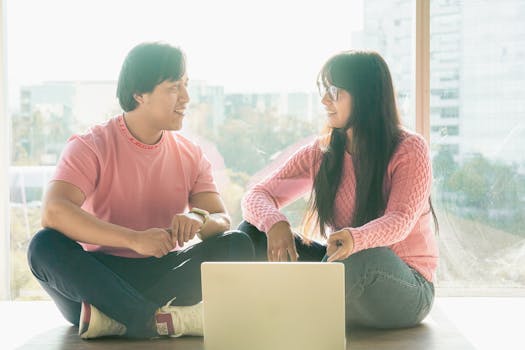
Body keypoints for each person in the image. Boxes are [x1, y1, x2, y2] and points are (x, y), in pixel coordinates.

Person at [27, 42, 254, 339]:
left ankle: (122, 319)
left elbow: (220, 218)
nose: (186, 98)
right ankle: (156, 318)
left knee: (237, 243)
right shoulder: (90, 145)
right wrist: (134, 240)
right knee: (43, 246)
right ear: (139, 94)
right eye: (174, 88)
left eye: (186, 86)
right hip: (98, 278)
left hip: (161, 272)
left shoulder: (191, 153)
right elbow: (54, 212)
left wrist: (199, 218)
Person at [240, 50, 439, 329]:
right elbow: (256, 195)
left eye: (334, 91)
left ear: (366, 97)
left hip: (405, 286)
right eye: (324, 90)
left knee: (365, 255)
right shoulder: (321, 152)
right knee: (251, 233)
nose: (324, 100)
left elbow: (400, 220)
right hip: (342, 274)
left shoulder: (409, 149)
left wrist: (355, 239)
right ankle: (262, 311)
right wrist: (274, 223)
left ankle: (280, 323)